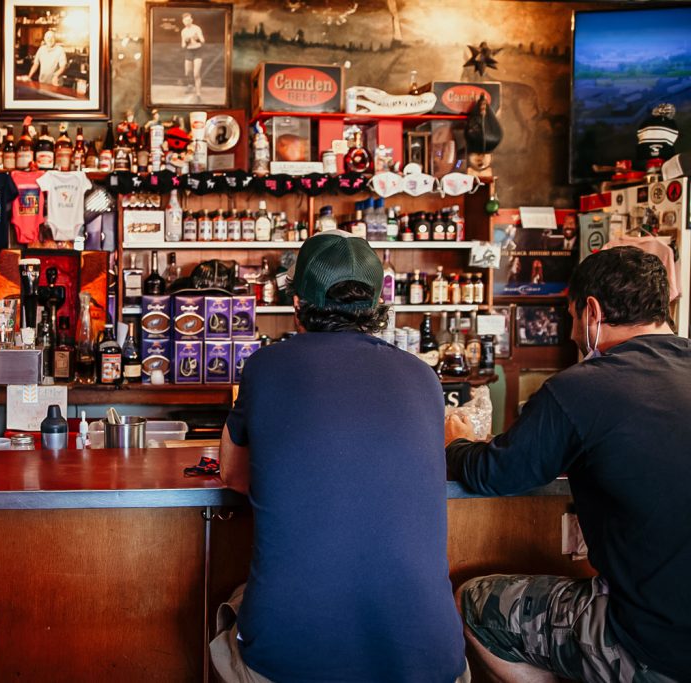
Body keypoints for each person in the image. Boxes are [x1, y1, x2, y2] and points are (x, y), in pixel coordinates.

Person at [213, 233, 466, 683]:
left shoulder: (265, 367)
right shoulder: (423, 377)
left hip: (291, 661)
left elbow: (233, 474)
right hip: (431, 661)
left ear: (296, 303)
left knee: (227, 610)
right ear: (377, 305)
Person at [446, 247, 690, 683]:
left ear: (592, 312)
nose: (574, 332)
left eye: (573, 315)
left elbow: (497, 474)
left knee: (476, 603)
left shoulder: (582, 388)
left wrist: (457, 444)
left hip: (651, 645)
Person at [180, 13, 205, 100]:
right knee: (187, 72)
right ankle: (190, 85)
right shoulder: (183, 31)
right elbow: (183, 45)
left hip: (198, 51)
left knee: (196, 74)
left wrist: (197, 38)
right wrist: (186, 41)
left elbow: (203, 41)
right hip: (189, 51)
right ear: (183, 22)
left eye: (189, 19)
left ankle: (198, 94)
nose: (187, 21)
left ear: (191, 20)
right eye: (185, 20)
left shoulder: (197, 28)